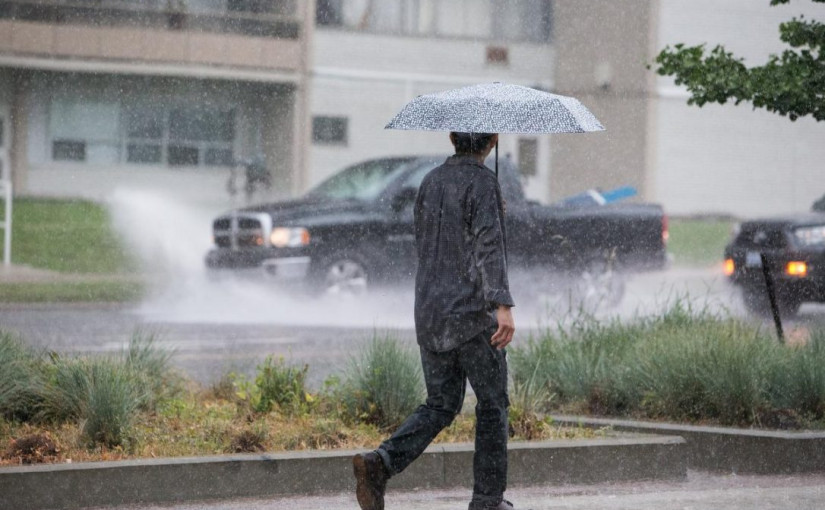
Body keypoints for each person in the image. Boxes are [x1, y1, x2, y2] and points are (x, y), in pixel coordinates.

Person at [353, 132, 517, 510]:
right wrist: (501, 303)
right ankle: (488, 501)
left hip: (430, 311)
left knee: (441, 404)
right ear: (492, 141)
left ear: (451, 137)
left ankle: (381, 463)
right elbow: (487, 244)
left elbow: (434, 241)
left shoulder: (429, 181)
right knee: (493, 406)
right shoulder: (483, 182)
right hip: (474, 315)